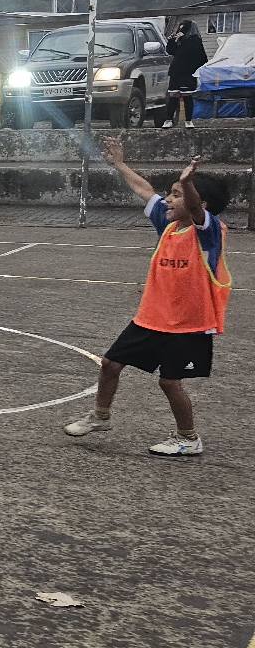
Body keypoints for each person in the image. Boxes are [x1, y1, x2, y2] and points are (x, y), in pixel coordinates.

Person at [63, 156, 231, 456]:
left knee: (169, 382)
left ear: (201, 204)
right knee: (110, 364)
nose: (167, 199)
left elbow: (193, 209)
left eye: (175, 195)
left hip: (188, 324)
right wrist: (119, 164)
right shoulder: (167, 225)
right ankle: (101, 416)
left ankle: (188, 438)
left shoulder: (208, 233)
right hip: (152, 318)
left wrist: (188, 183)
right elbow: (143, 189)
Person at [165, 20, 208, 129]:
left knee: (187, 96)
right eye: (180, 27)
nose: (181, 30)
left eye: (184, 28)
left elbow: (201, 58)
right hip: (175, 72)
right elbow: (171, 51)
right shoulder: (178, 40)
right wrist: (171, 41)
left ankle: (188, 120)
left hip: (188, 73)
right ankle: (168, 120)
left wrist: (194, 70)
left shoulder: (195, 40)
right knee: (173, 96)